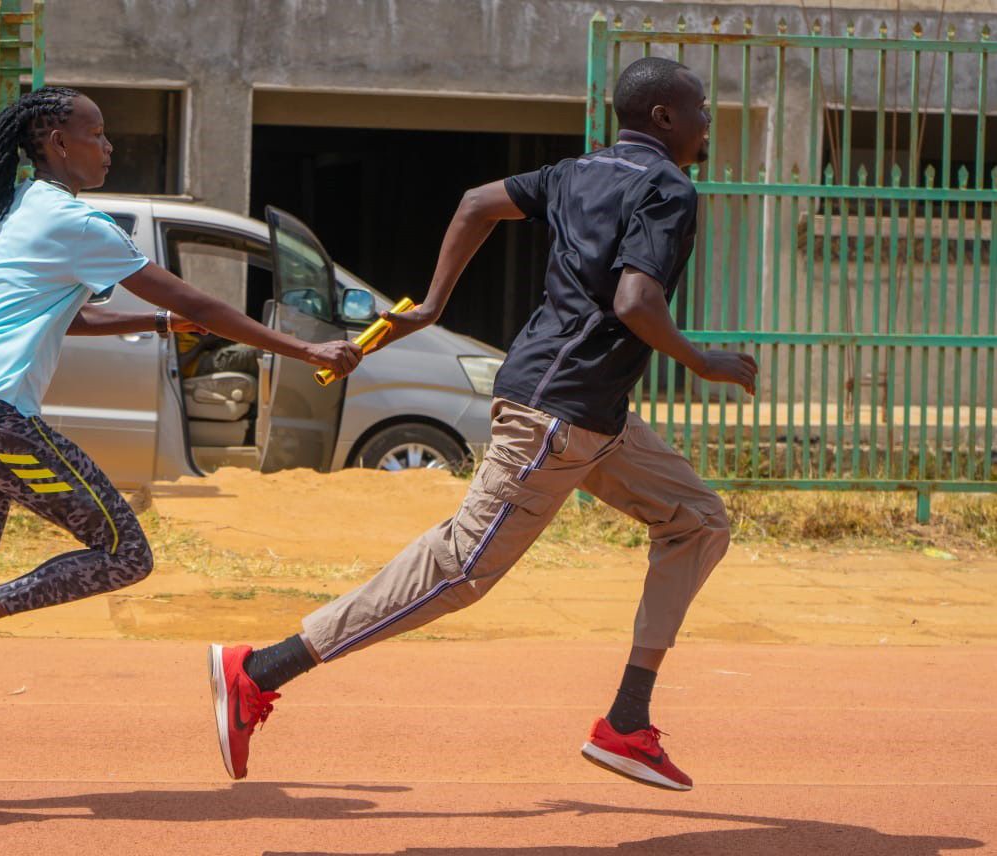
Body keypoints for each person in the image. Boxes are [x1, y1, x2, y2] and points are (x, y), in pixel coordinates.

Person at [0, 86, 361, 813]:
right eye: (97, 134)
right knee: (123, 552)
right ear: (55, 143)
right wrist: (304, 346)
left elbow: (70, 319)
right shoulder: (76, 221)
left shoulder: (23, 210)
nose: (109, 146)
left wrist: (151, 327)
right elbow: (198, 301)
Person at [208, 57, 757, 790]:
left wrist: (435, 303)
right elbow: (635, 301)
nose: (705, 124)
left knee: (697, 519)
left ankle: (627, 721)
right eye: (698, 110)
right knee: (460, 569)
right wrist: (702, 360)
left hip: (588, 415)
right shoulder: (667, 187)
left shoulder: (574, 173)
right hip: (556, 416)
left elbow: (474, 202)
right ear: (663, 117)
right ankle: (260, 669)